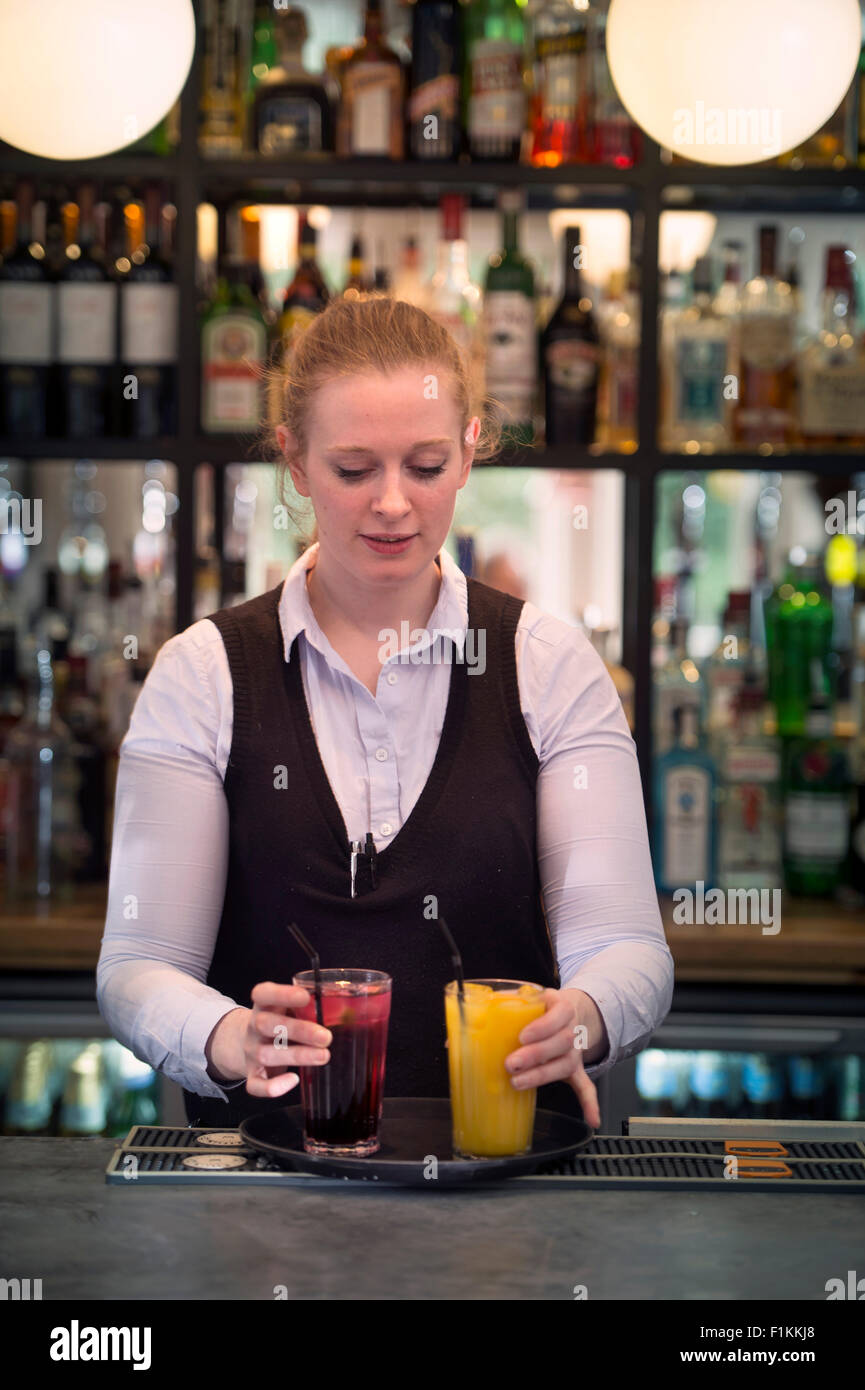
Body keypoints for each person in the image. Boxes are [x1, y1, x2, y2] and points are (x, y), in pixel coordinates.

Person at [97, 295, 673, 1133]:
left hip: (503, 1209)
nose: (393, 503)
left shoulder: (548, 667)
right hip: (261, 1212)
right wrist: (228, 1036)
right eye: (354, 468)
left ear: (471, 451)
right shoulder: (204, 675)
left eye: (427, 465)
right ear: (294, 464)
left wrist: (583, 1017)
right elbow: (139, 963)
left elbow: (628, 948)